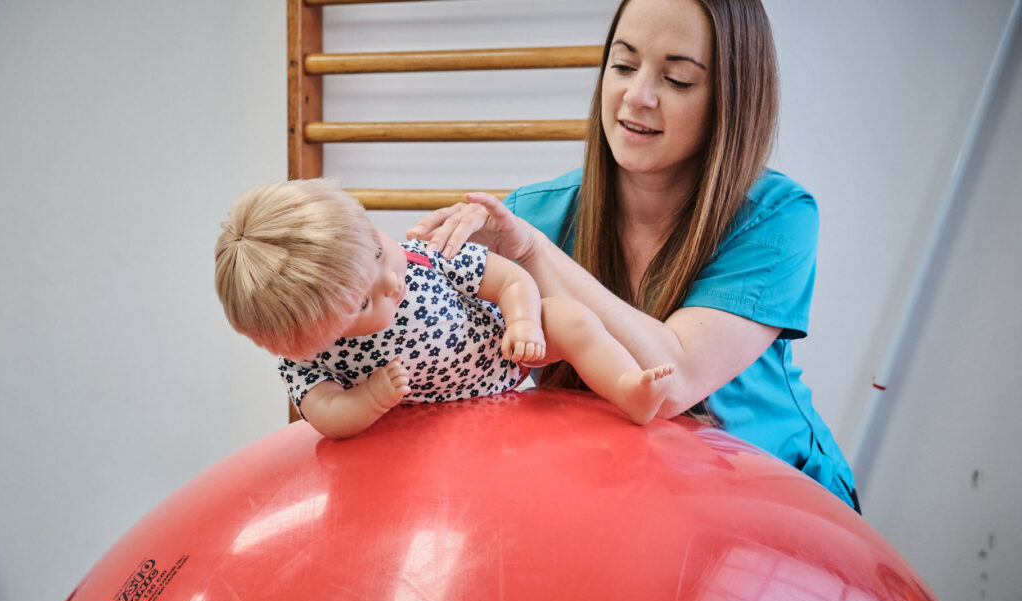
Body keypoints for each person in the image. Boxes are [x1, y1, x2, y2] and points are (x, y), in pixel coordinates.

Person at [407, 0, 860, 511]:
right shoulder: (535, 212)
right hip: (618, 506)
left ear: (731, 100)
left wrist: (533, 253)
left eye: (678, 80)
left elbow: (674, 381)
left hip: (773, 504)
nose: (637, 96)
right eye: (623, 66)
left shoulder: (777, 215)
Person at [214, 178, 676, 439]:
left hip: (505, 354)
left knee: (572, 320)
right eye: (361, 302)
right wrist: (369, 399)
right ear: (316, 336)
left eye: (377, 253)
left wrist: (522, 320)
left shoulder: (422, 258)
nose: (392, 283)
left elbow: (510, 278)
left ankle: (626, 387)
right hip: (443, 426)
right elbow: (327, 416)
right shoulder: (308, 358)